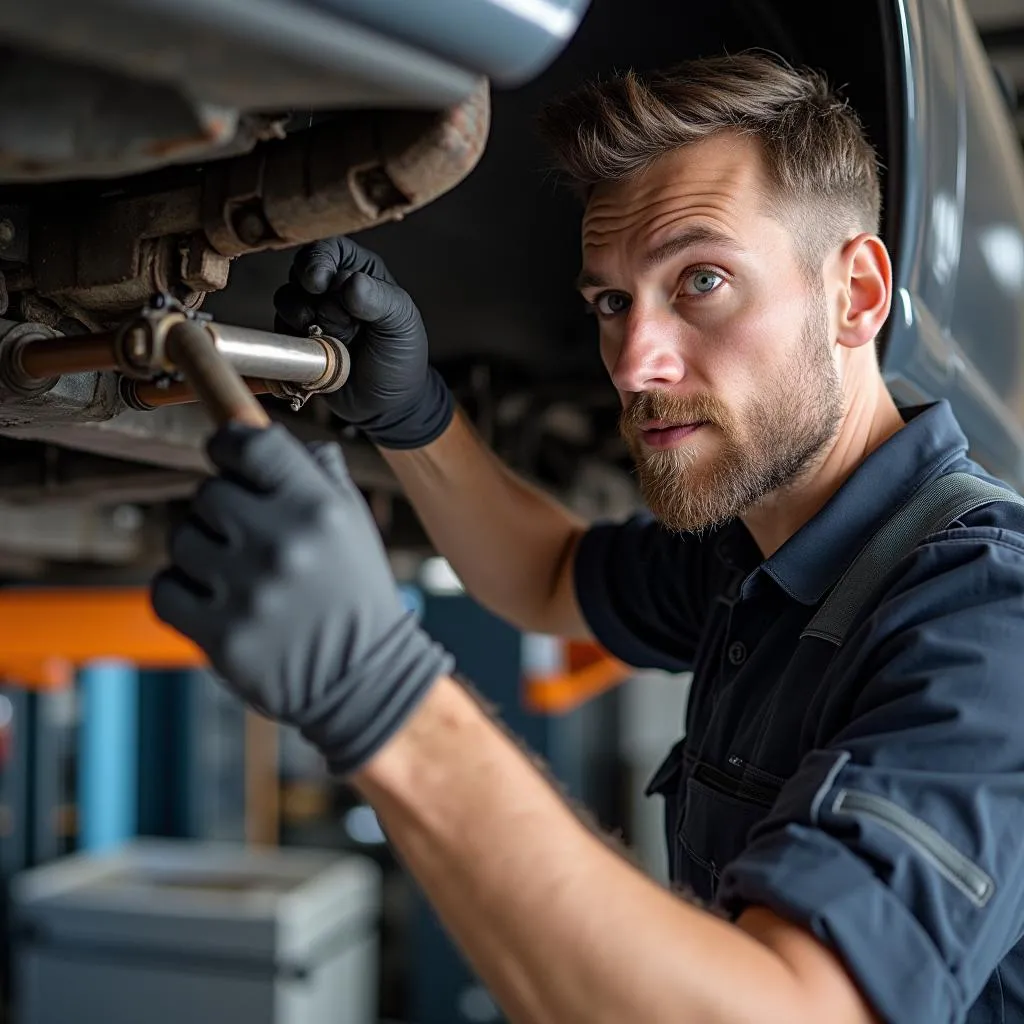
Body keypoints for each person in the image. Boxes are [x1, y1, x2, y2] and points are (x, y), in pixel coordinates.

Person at [152, 53, 1024, 1023]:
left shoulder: (987, 621)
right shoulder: (770, 550)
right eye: (611, 302)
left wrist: (380, 693)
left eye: (700, 279)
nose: (634, 362)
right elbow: (552, 574)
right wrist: (414, 417)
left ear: (854, 294)